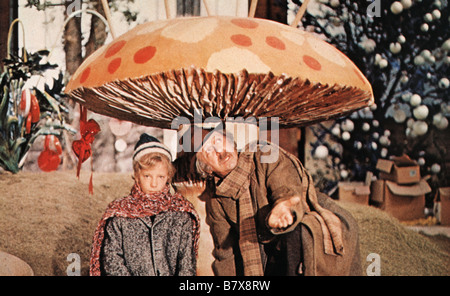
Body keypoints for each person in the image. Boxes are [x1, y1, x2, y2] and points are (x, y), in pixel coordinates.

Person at [188, 126, 362, 276]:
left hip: (304, 221)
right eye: (208, 150)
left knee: (295, 234)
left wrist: (284, 207)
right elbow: (226, 255)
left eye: (218, 140)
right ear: (207, 169)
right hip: (267, 252)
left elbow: (286, 188)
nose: (220, 151)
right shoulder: (218, 201)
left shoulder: (263, 155)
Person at [89, 133, 200, 276]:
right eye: (147, 176)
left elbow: (186, 263)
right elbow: (112, 261)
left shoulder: (181, 212)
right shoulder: (120, 213)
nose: (154, 183)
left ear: (168, 176)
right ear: (137, 175)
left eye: (160, 177)